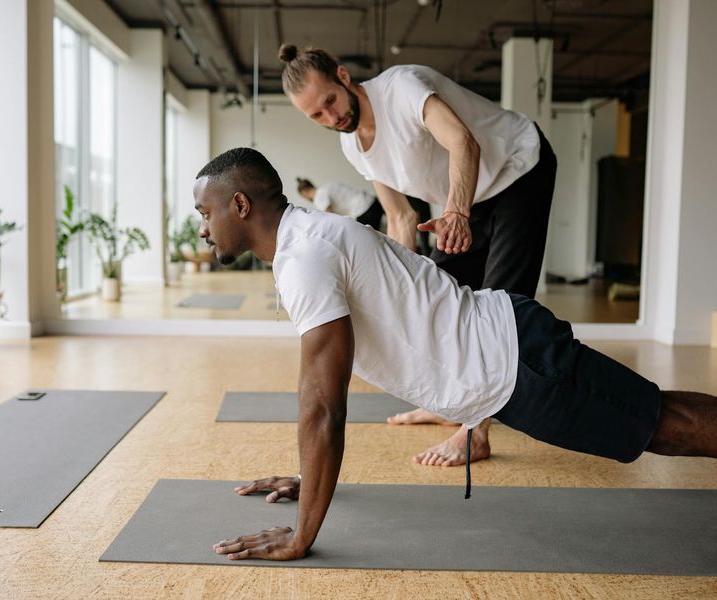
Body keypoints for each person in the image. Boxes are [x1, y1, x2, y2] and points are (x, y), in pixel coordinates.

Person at [196, 147, 717, 562]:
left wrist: (300, 535)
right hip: (510, 351)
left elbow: (323, 409)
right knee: (655, 416)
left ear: (240, 205)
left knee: (661, 424)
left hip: (517, 365)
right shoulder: (307, 241)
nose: (202, 227)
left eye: (204, 212)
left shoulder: (304, 256)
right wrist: (311, 482)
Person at [279, 44, 558, 466]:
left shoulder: (402, 88)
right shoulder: (353, 147)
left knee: (502, 303)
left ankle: (475, 433)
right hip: (467, 197)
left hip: (518, 168)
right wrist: (399, 294)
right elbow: (401, 217)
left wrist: (456, 213)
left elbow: (464, 142)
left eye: (331, 101)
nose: (331, 117)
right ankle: (454, 404)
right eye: (316, 115)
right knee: (439, 302)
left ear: (342, 76)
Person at [296, 177, 433, 253]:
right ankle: (421, 246)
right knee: (397, 224)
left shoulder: (319, 196)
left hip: (363, 211)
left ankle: (411, 253)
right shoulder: (329, 185)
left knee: (372, 244)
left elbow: (330, 218)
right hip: (372, 201)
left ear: (304, 194)